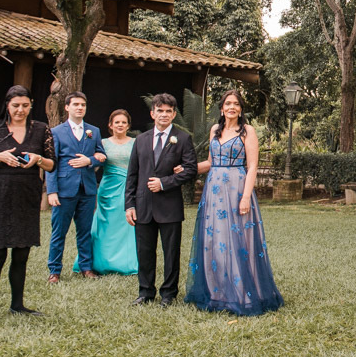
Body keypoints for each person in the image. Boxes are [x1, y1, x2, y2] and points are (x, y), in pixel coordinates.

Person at [185, 89, 284, 316]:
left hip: (237, 188)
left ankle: (244, 292)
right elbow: (210, 162)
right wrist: (186, 169)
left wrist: (246, 196)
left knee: (241, 240)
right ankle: (218, 292)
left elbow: (252, 166)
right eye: (228, 103)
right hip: (214, 191)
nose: (232, 107)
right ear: (222, 108)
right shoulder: (215, 130)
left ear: (241, 109)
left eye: (236, 104)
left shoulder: (247, 131)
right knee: (215, 239)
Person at [0, 85, 55, 321]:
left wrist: (39, 159)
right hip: (0, 195)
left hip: (27, 195)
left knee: (21, 254)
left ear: (31, 105)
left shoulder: (41, 130)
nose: (20, 110)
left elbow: (52, 164)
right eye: (15, 105)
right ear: (7, 105)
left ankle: (17, 305)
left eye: (25, 105)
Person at [125, 93, 196, 306]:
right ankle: (145, 292)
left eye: (168, 111)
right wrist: (129, 204)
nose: (163, 115)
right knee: (144, 252)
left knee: (171, 252)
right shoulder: (141, 139)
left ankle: (168, 294)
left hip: (169, 206)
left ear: (174, 114)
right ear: (152, 113)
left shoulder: (182, 139)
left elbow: (191, 169)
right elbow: (132, 174)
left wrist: (165, 182)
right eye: (160, 110)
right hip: (143, 205)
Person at [46, 91, 106, 283]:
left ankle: (86, 267)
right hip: (64, 190)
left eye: (83, 105)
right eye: (76, 104)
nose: (80, 108)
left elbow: (101, 156)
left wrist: (88, 161)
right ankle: (54, 270)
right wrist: (52, 191)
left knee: (85, 231)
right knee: (59, 232)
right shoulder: (56, 132)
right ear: (67, 107)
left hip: (87, 190)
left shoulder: (93, 131)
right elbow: (51, 163)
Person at [74, 109, 138, 275]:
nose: (120, 125)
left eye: (124, 122)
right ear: (110, 125)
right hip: (108, 188)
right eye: (117, 122)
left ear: (128, 125)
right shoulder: (102, 143)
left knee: (126, 224)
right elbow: (93, 164)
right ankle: (100, 261)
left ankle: (125, 262)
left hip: (128, 187)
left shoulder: (135, 142)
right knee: (105, 224)